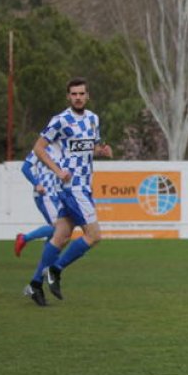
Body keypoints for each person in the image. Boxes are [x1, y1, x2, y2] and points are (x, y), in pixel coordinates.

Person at [23, 77, 113, 307]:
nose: (78, 97)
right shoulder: (60, 121)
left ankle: (34, 285)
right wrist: (57, 170)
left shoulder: (93, 119)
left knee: (60, 237)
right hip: (73, 187)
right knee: (94, 235)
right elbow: (38, 148)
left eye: (81, 93)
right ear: (68, 96)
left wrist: (101, 151)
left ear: (87, 95)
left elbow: (90, 147)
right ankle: (56, 269)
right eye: (74, 94)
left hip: (84, 185)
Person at [13, 147, 63, 257]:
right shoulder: (41, 148)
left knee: (59, 228)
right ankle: (24, 238)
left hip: (58, 195)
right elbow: (25, 168)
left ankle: (48, 257)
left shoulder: (64, 147)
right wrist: (36, 184)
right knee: (58, 227)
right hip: (45, 194)